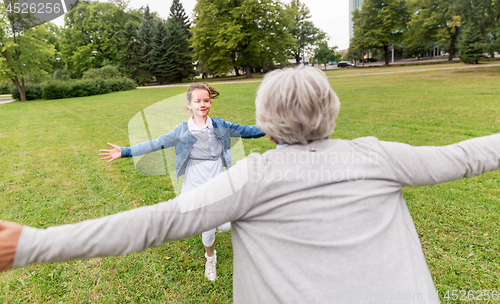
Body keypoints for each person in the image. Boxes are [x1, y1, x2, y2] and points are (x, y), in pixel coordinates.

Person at [1, 66, 500, 303]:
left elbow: (154, 224)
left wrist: (35, 244)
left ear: (265, 119)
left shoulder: (252, 176)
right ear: (333, 109)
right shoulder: (376, 153)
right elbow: (470, 154)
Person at [98, 82, 265, 281]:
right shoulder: (182, 130)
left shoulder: (220, 124)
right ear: (189, 104)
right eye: (197, 101)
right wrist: (124, 151)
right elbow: (155, 143)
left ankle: (220, 222)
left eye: (206, 100)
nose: (202, 104)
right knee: (207, 225)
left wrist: (275, 127)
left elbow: (248, 131)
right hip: (196, 183)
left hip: (218, 179)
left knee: (227, 225)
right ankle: (210, 258)